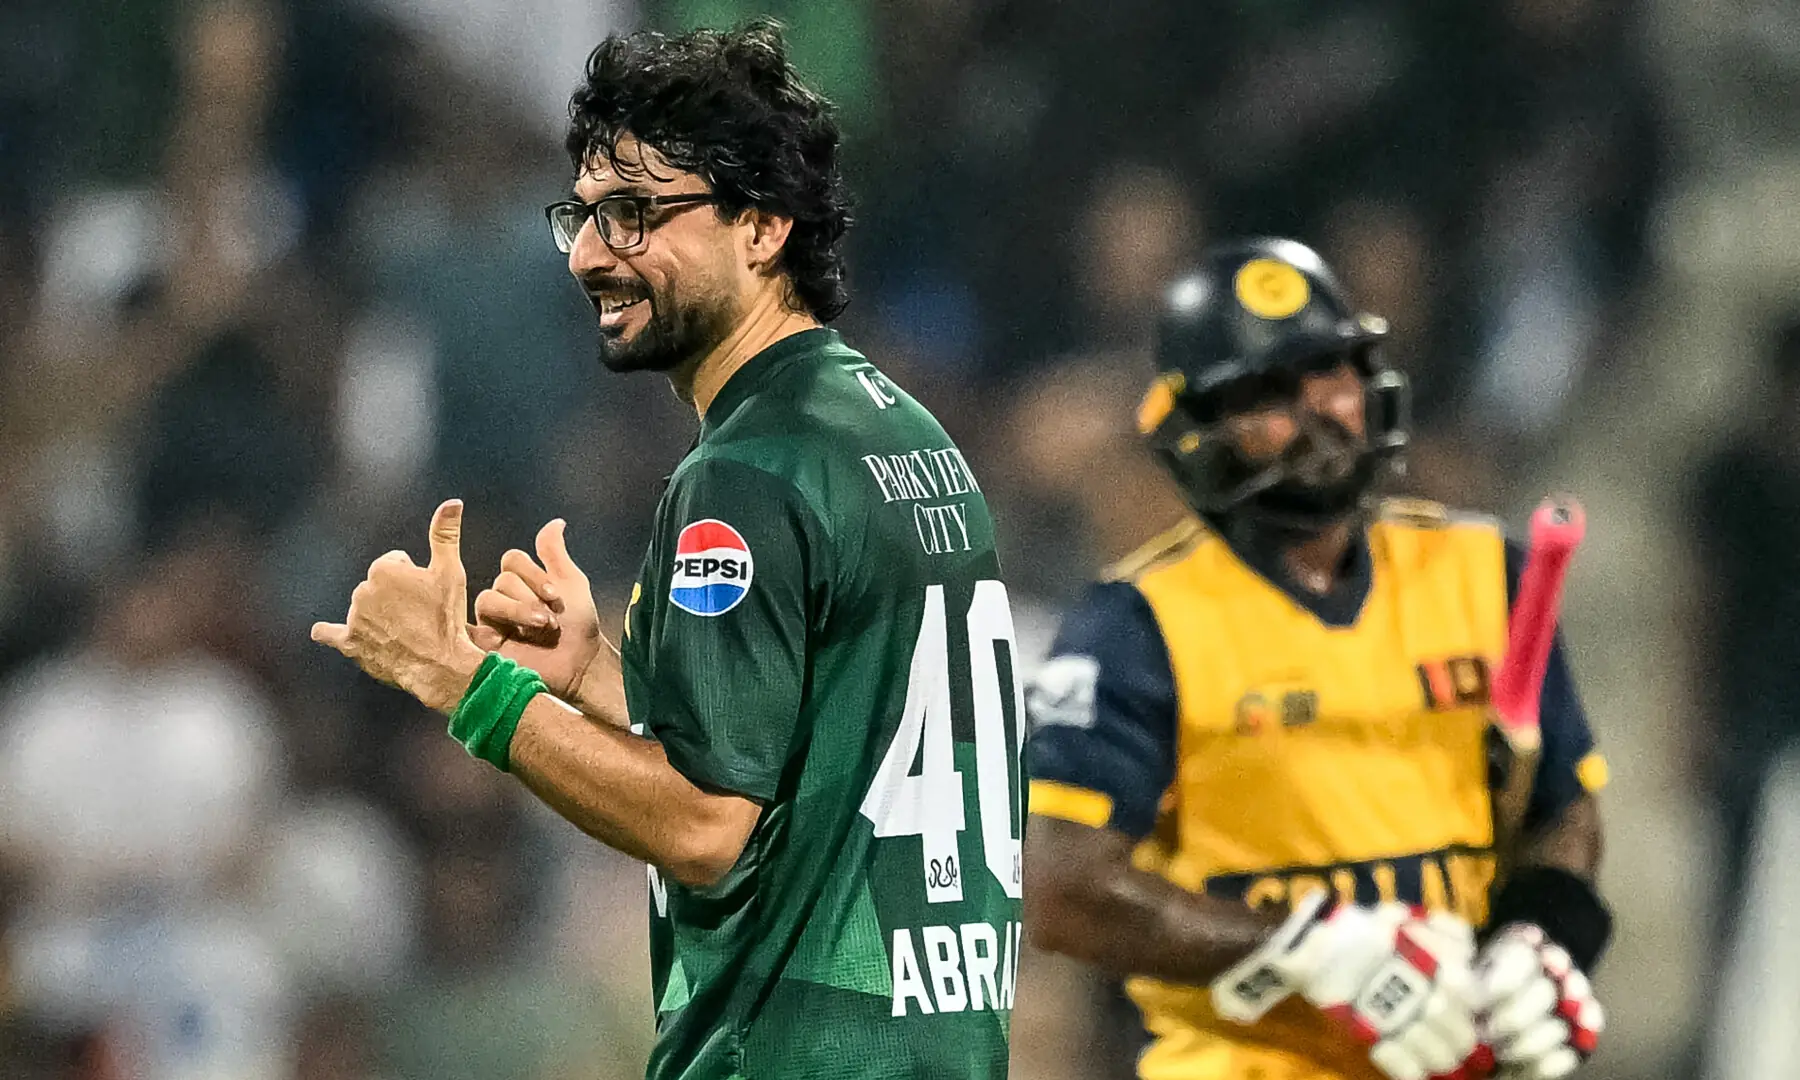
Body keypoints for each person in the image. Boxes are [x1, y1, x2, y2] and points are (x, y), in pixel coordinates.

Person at [310, 21, 1023, 1080]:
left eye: (638, 215)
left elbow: (706, 829)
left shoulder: (745, 475)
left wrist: (463, 682)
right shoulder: (905, 438)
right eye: (586, 216)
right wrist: (605, 682)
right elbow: (815, 761)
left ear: (763, 226)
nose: (592, 256)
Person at [1019, 238, 1612, 1080]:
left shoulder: (1488, 574)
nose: (1317, 411)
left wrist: (1540, 935)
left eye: (1330, 373)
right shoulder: (1137, 625)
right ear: (1199, 431)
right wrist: (1301, 949)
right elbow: (1064, 891)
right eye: (1267, 392)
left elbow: (1564, 811)